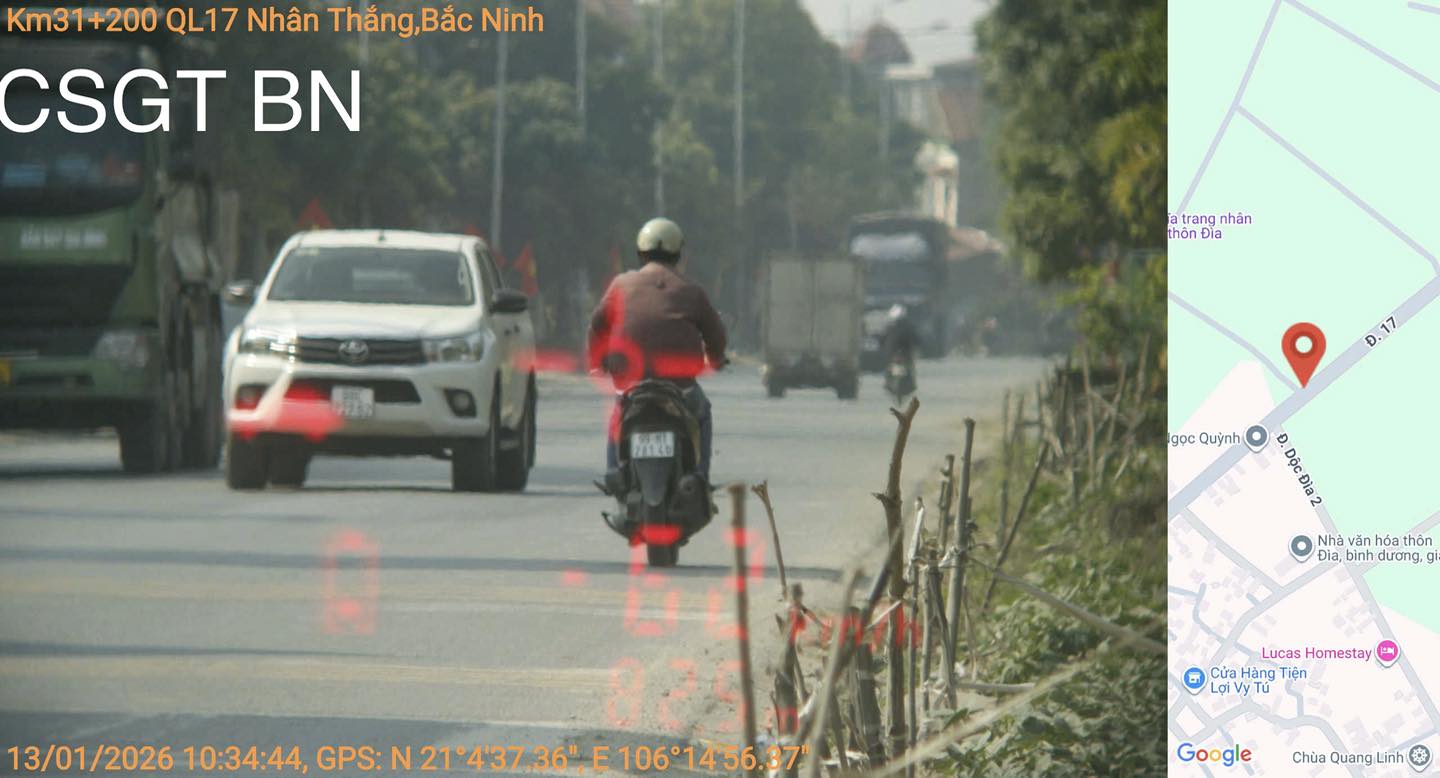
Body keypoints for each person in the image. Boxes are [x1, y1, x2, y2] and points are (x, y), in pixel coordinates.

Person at [589, 218, 727, 480]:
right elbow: (716, 336)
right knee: (702, 413)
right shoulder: (691, 290)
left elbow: (597, 325)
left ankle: (614, 473)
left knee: (618, 416)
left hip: (632, 385)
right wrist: (717, 358)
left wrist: (598, 362)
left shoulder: (621, 285)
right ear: (678, 253)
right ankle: (699, 476)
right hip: (681, 388)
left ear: (640, 252)